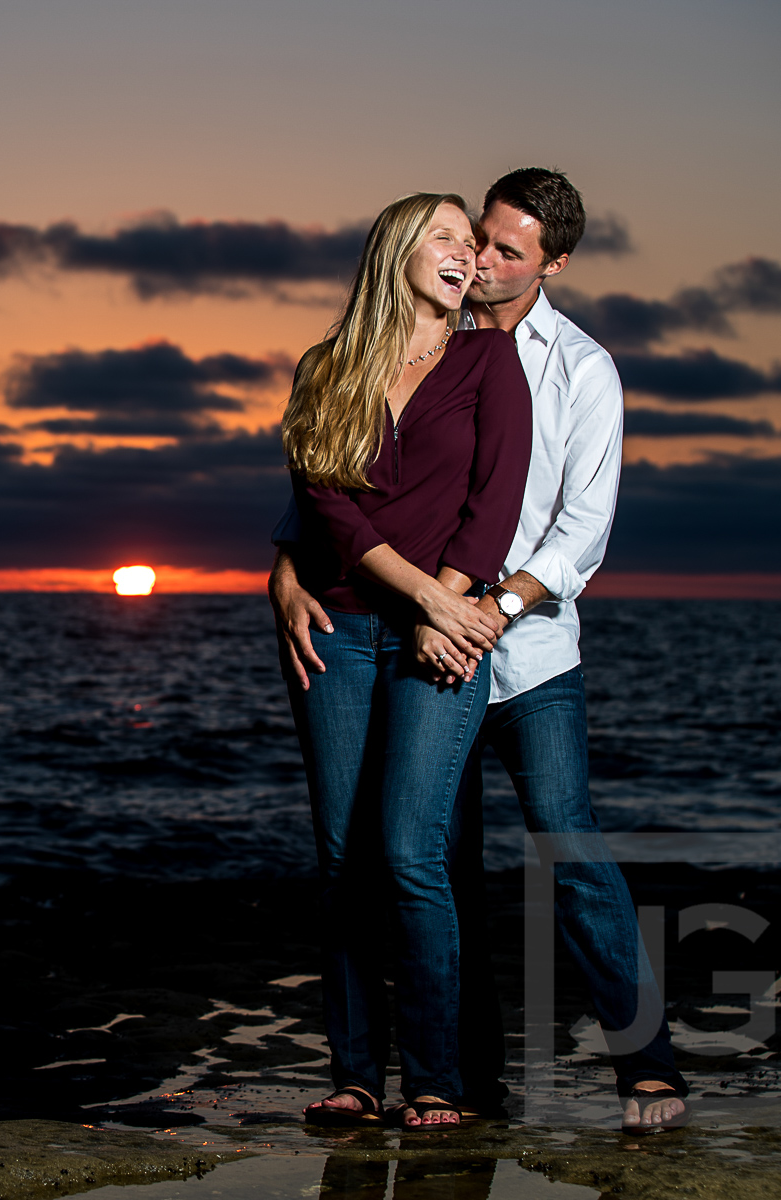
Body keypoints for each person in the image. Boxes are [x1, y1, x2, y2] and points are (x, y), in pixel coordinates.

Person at [272, 168, 690, 1133]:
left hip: (524, 652)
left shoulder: (577, 368)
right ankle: (458, 1083)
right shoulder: (394, 352)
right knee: (431, 862)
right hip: (421, 641)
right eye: (478, 240)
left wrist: (469, 611)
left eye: (508, 250)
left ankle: (646, 1063)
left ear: (554, 263)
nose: (487, 262)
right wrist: (285, 567)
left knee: (566, 843)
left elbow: (577, 528)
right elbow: (340, 479)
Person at [280, 191, 531, 1130]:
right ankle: (354, 1075)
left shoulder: (486, 359)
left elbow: (495, 500)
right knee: (343, 859)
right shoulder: (327, 367)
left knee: (411, 853)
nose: (466, 253)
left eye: (472, 243)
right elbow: (329, 506)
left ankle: (437, 1079)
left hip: (442, 634)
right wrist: (425, 596)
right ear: (396, 252)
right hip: (342, 632)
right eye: (446, 237)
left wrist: (448, 605)